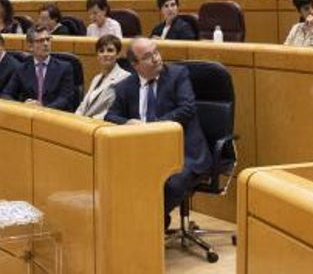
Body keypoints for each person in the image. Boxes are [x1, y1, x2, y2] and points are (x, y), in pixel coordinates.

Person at [106, 37, 211, 230]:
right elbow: (110, 116)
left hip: (183, 153)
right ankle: (142, 228)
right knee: (119, 180)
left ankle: (148, 229)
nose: (156, 59)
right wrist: (127, 122)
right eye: (147, 57)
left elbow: (187, 109)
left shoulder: (178, 75)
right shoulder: (125, 87)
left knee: (170, 184)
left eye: (156, 52)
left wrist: (150, 126)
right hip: (145, 155)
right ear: (135, 64)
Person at [0, 28, 78, 112]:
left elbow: (65, 99)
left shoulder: (65, 67)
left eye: (48, 39)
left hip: (54, 116)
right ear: (30, 46)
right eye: (40, 41)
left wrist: (42, 109)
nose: (45, 44)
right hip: (28, 115)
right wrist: (23, 105)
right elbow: (6, 94)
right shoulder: (22, 69)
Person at [76, 34, 131, 119]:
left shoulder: (125, 78)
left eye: (110, 50)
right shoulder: (96, 78)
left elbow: (115, 110)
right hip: (85, 124)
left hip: (102, 125)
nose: (105, 54)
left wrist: (88, 121)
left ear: (118, 54)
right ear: (97, 56)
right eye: (101, 51)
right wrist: (76, 118)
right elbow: (84, 105)